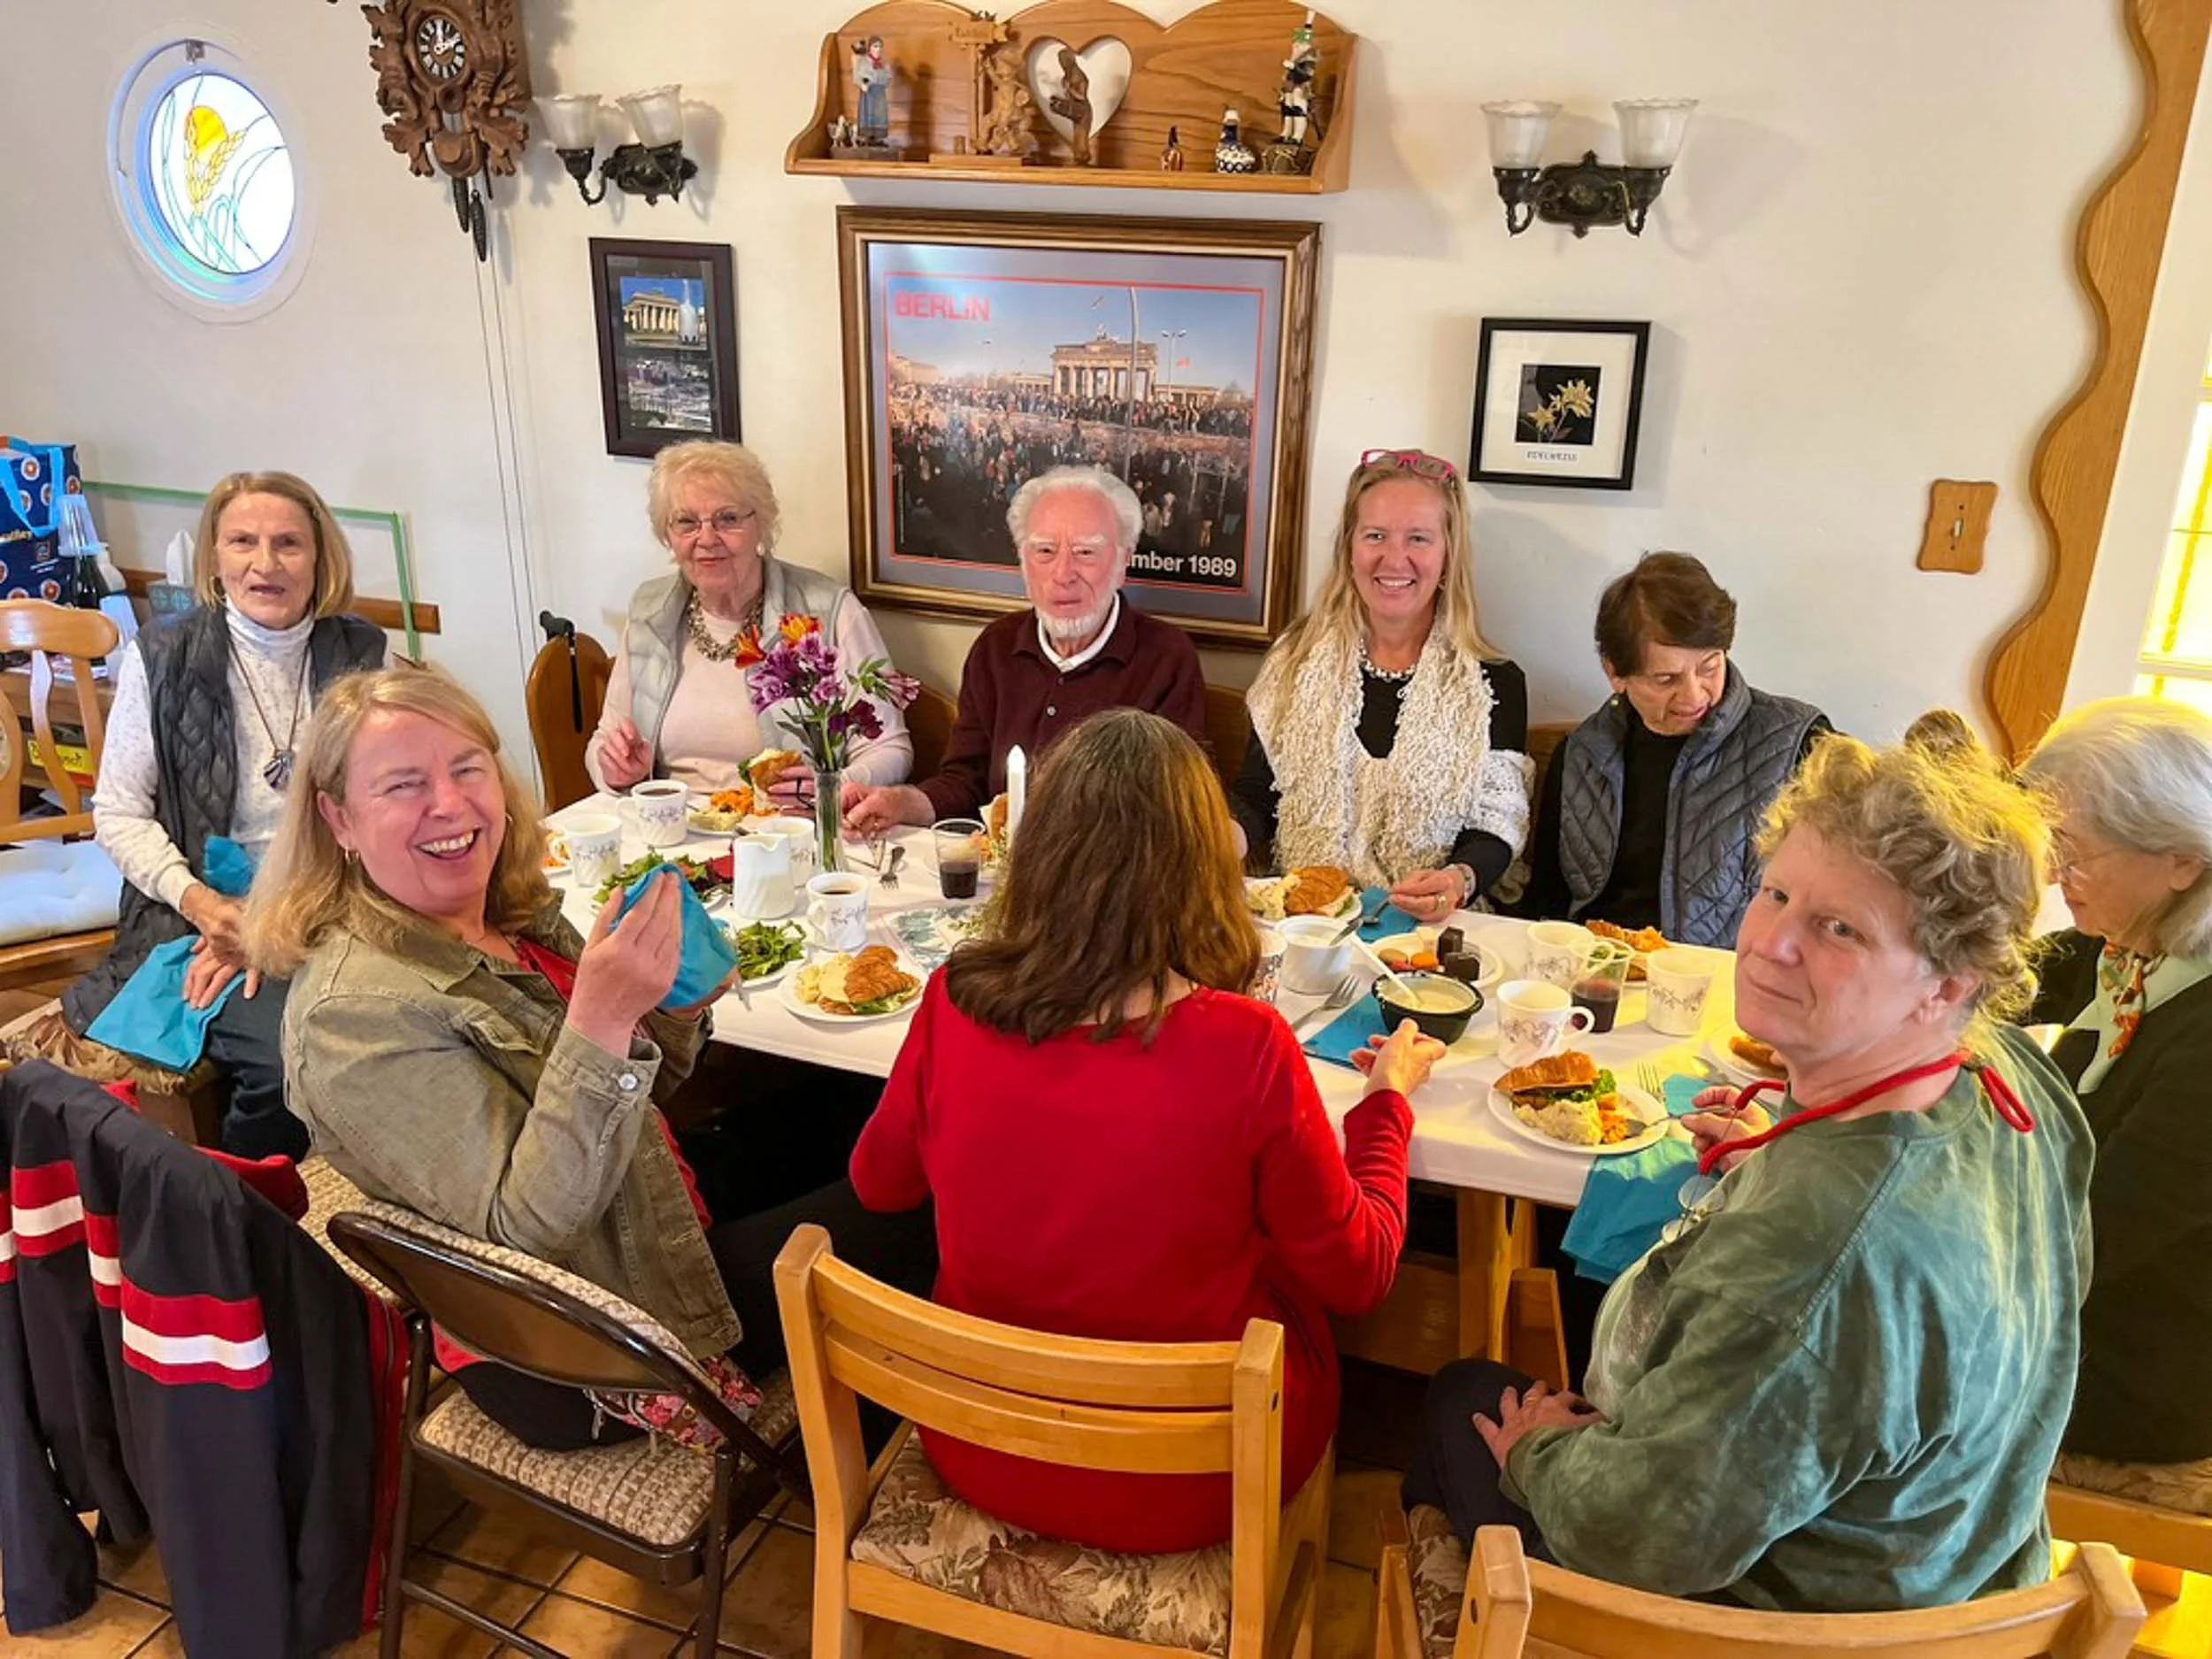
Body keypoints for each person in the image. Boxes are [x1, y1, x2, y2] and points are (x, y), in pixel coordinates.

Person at [1408, 733, 2093, 1610]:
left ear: (1947, 985)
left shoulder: (1814, 1253)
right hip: (1950, 1549)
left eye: (1838, 928)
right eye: (1775, 892)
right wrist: (1783, 1136)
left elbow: (1645, 1538)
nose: (1768, 943)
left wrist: (1541, 1456)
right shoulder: (2009, 1075)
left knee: (1460, 1398)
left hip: (1792, 1618)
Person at [252, 665, 932, 1449]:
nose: (450, 803)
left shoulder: (504, 908)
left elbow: (629, 1101)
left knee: (873, 1112)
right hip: (590, 1336)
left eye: (467, 767)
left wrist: (668, 1011)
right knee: (930, 1197)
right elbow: (528, 1225)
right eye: (404, 785)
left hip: (637, 1208)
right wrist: (605, 1016)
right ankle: (855, 1478)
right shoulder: (354, 1018)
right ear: (337, 817)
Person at [850, 709, 1443, 1553]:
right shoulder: (1246, 1046)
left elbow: (879, 1185)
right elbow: (1360, 1274)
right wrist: (1385, 1105)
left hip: (982, 1441)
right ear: (1201, 868)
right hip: (1193, 1481)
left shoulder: (953, 1000)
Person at [61, 471, 386, 1159]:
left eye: (288, 544)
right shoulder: (164, 655)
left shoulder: (361, 652)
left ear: (321, 558)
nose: (264, 564)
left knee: (408, 1016)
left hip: (333, 904)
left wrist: (294, 920)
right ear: (214, 555)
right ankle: (241, 1214)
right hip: (201, 916)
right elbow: (117, 815)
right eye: (242, 541)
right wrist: (208, 908)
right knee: (288, 1057)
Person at [2020, 697, 2212, 1515]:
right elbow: (2021, 971)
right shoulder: (2141, 956)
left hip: (2142, 1376)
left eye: (2074, 851)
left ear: (2179, 858)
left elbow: (2073, 1247)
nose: (2056, 875)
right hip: (2103, 1311)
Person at [1234, 449, 1531, 922]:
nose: (1395, 559)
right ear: (1349, 548)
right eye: (1375, 535)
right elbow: (1257, 792)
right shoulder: (1293, 659)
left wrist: (1458, 879)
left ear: (1448, 553)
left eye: (1418, 538)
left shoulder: (1493, 682)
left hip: (1431, 932)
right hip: (1306, 924)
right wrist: (1225, 836)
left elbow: (1497, 825)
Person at [841, 465, 1207, 835]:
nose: (1063, 573)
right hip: (999, 873)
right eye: (1045, 551)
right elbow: (964, 781)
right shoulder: (996, 648)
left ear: (1123, 561)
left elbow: (1172, 813)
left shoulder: (1167, 659)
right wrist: (902, 802)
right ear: (1023, 561)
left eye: (1085, 552)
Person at [1519, 552, 1830, 947]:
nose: (1694, 695)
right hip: (1604, 974)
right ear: (1615, 672)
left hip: (1731, 982)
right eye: (1666, 678)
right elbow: (1547, 902)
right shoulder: (1583, 755)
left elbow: (1833, 901)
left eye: (1709, 667)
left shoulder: (1797, 744)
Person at [588, 440, 910, 803]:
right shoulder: (650, 612)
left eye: (728, 519)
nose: (706, 539)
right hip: (674, 834)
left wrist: (829, 788)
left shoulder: (828, 611)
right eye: (686, 522)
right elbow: (605, 740)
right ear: (667, 534)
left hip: (785, 831)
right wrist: (615, 770)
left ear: (762, 524)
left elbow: (890, 748)